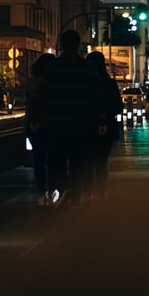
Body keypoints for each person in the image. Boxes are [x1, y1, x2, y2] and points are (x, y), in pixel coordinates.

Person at [29, 30, 107, 207]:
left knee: (56, 161)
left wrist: (35, 118)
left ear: (62, 45)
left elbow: (40, 95)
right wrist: (101, 120)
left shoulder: (52, 68)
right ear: (78, 45)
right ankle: (75, 194)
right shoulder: (86, 68)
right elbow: (96, 96)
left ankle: (60, 192)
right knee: (78, 161)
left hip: (55, 123)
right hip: (80, 123)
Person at [85, 51, 122, 197]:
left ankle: (89, 189)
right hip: (107, 126)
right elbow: (118, 106)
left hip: (87, 126)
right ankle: (101, 189)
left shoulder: (86, 84)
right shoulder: (109, 83)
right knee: (101, 161)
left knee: (89, 160)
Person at [25, 52, 55, 205]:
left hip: (34, 124)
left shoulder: (32, 82)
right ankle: (53, 188)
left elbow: (30, 103)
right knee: (53, 158)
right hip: (52, 123)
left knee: (39, 159)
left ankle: (42, 190)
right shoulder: (53, 82)